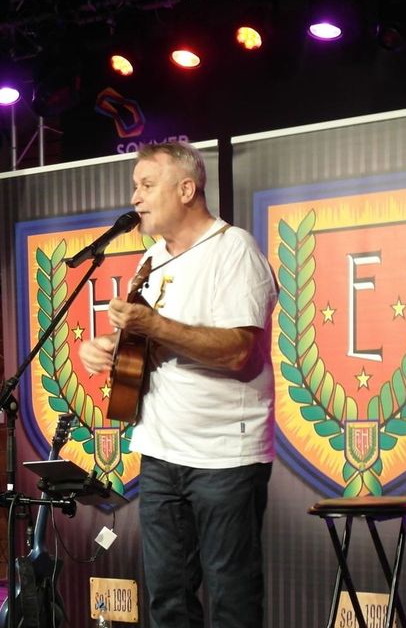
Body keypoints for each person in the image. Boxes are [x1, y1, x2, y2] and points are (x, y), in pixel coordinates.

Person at [79, 142, 277, 628]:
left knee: (232, 598)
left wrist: (153, 328)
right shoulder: (151, 257)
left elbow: (238, 352)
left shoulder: (234, 250)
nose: (136, 197)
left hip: (224, 457)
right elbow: (147, 339)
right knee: (167, 598)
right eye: (135, 186)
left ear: (187, 189)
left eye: (147, 185)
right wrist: (106, 347)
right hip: (161, 453)